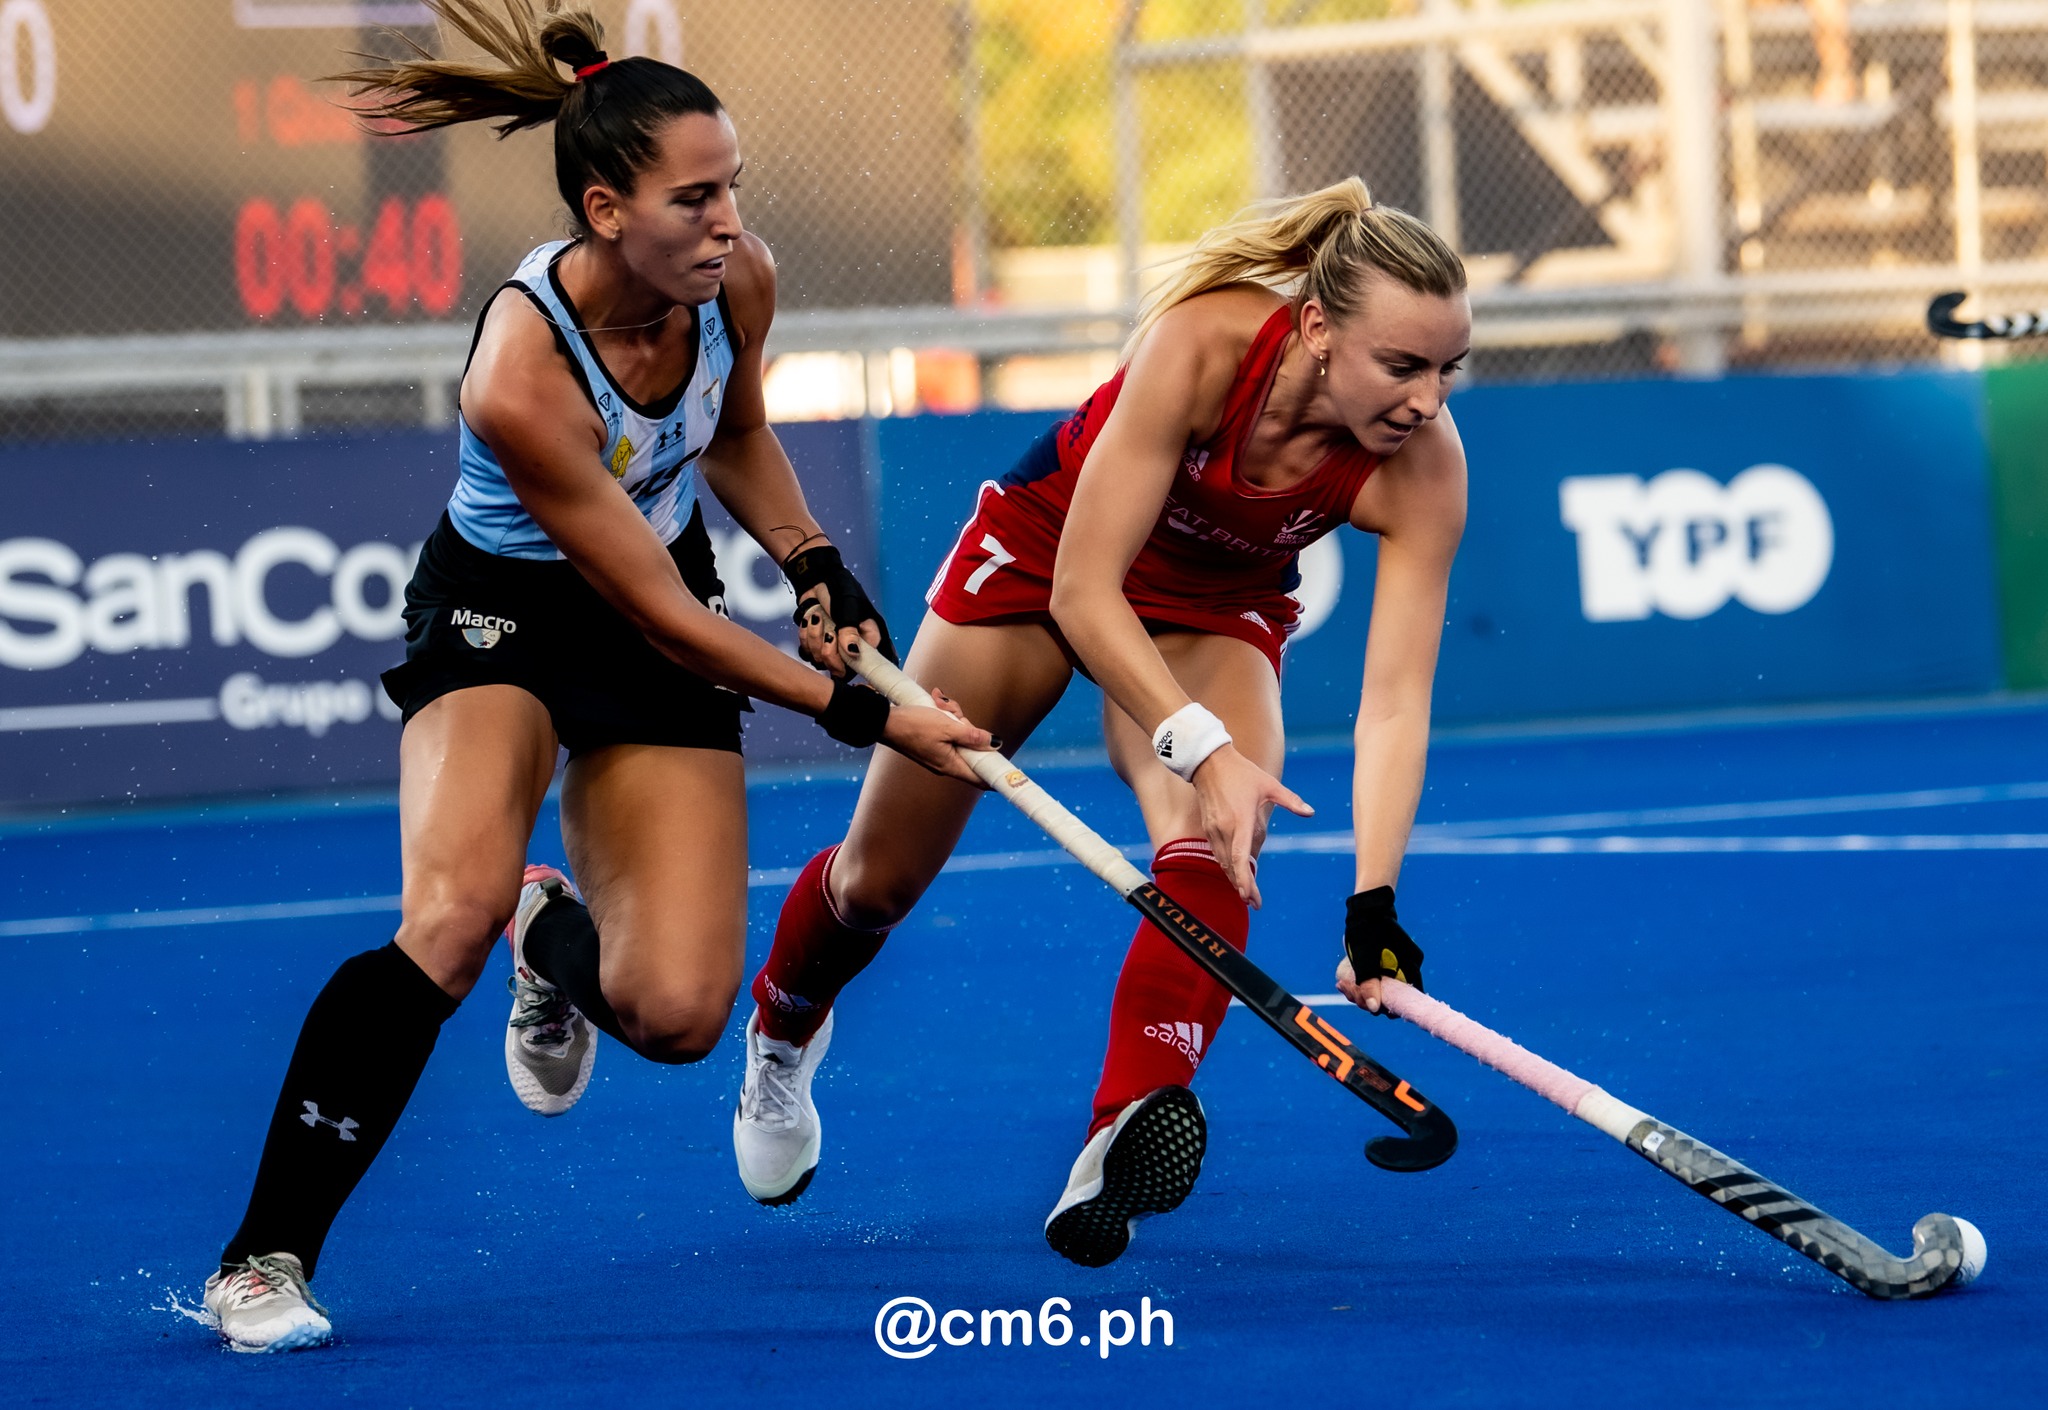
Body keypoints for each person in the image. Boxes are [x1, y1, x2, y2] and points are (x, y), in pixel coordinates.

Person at [199, 0, 986, 1353]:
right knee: (442, 920)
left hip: (655, 603)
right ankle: (263, 1255)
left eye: (734, 185)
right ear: (606, 207)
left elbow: (736, 437)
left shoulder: (735, 282)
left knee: (678, 1017)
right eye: (696, 196)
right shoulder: (519, 369)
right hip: (504, 619)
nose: (728, 219)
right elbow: (668, 620)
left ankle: (545, 935)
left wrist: (812, 563)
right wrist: (867, 712)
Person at [733, 177, 1468, 1267]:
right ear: (1316, 329)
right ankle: (781, 1031)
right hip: (1046, 559)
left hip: (1210, 608)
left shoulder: (1423, 467)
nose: (1425, 396)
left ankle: (1124, 1124)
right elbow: (1084, 590)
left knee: (1220, 832)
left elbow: (1396, 700)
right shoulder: (1206, 345)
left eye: (1449, 366)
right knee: (874, 883)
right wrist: (1199, 742)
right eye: (1400, 365)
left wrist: (1373, 902)